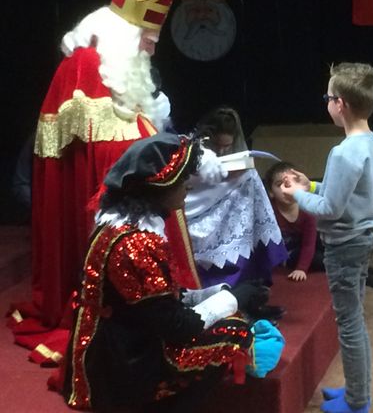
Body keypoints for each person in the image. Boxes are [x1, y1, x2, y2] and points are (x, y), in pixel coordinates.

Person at [8, 0, 192, 366]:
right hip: (99, 200)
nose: (151, 51)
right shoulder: (87, 65)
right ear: (126, 35)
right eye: (148, 41)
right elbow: (110, 147)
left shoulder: (119, 70)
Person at [58, 133, 267, 412]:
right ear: (158, 188)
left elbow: (157, 303)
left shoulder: (119, 228)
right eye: (181, 181)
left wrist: (219, 292)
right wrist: (235, 299)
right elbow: (178, 327)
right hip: (121, 362)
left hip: (112, 346)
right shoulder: (136, 243)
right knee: (234, 331)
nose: (187, 187)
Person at [281, 63, 373, 413]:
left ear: (341, 104)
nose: (326, 103)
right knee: (355, 322)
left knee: (350, 326)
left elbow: (329, 208)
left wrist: (296, 194)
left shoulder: (343, 152)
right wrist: (309, 184)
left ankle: (356, 403)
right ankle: (357, 393)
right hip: (362, 240)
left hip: (344, 247)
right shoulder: (371, 142)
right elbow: (347, 193)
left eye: (327, 98)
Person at [185, 106, 288, 290]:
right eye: (217, 145)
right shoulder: (191, 148)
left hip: (223, 195)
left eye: (227, 146)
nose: (221, 151)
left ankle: (250, 268)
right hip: (193, 202)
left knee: (250, 178)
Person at [265, 161, 325, 281]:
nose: (287, 188)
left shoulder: (307, 210)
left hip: (308, 242)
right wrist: (301, 268)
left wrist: (301, 269)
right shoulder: (269, 211)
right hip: (289, 252)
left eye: (291, 183)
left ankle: (353, 263)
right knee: (319, 260)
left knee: (326, 241)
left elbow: (309, 243)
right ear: (271, 192)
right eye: (279, 184)